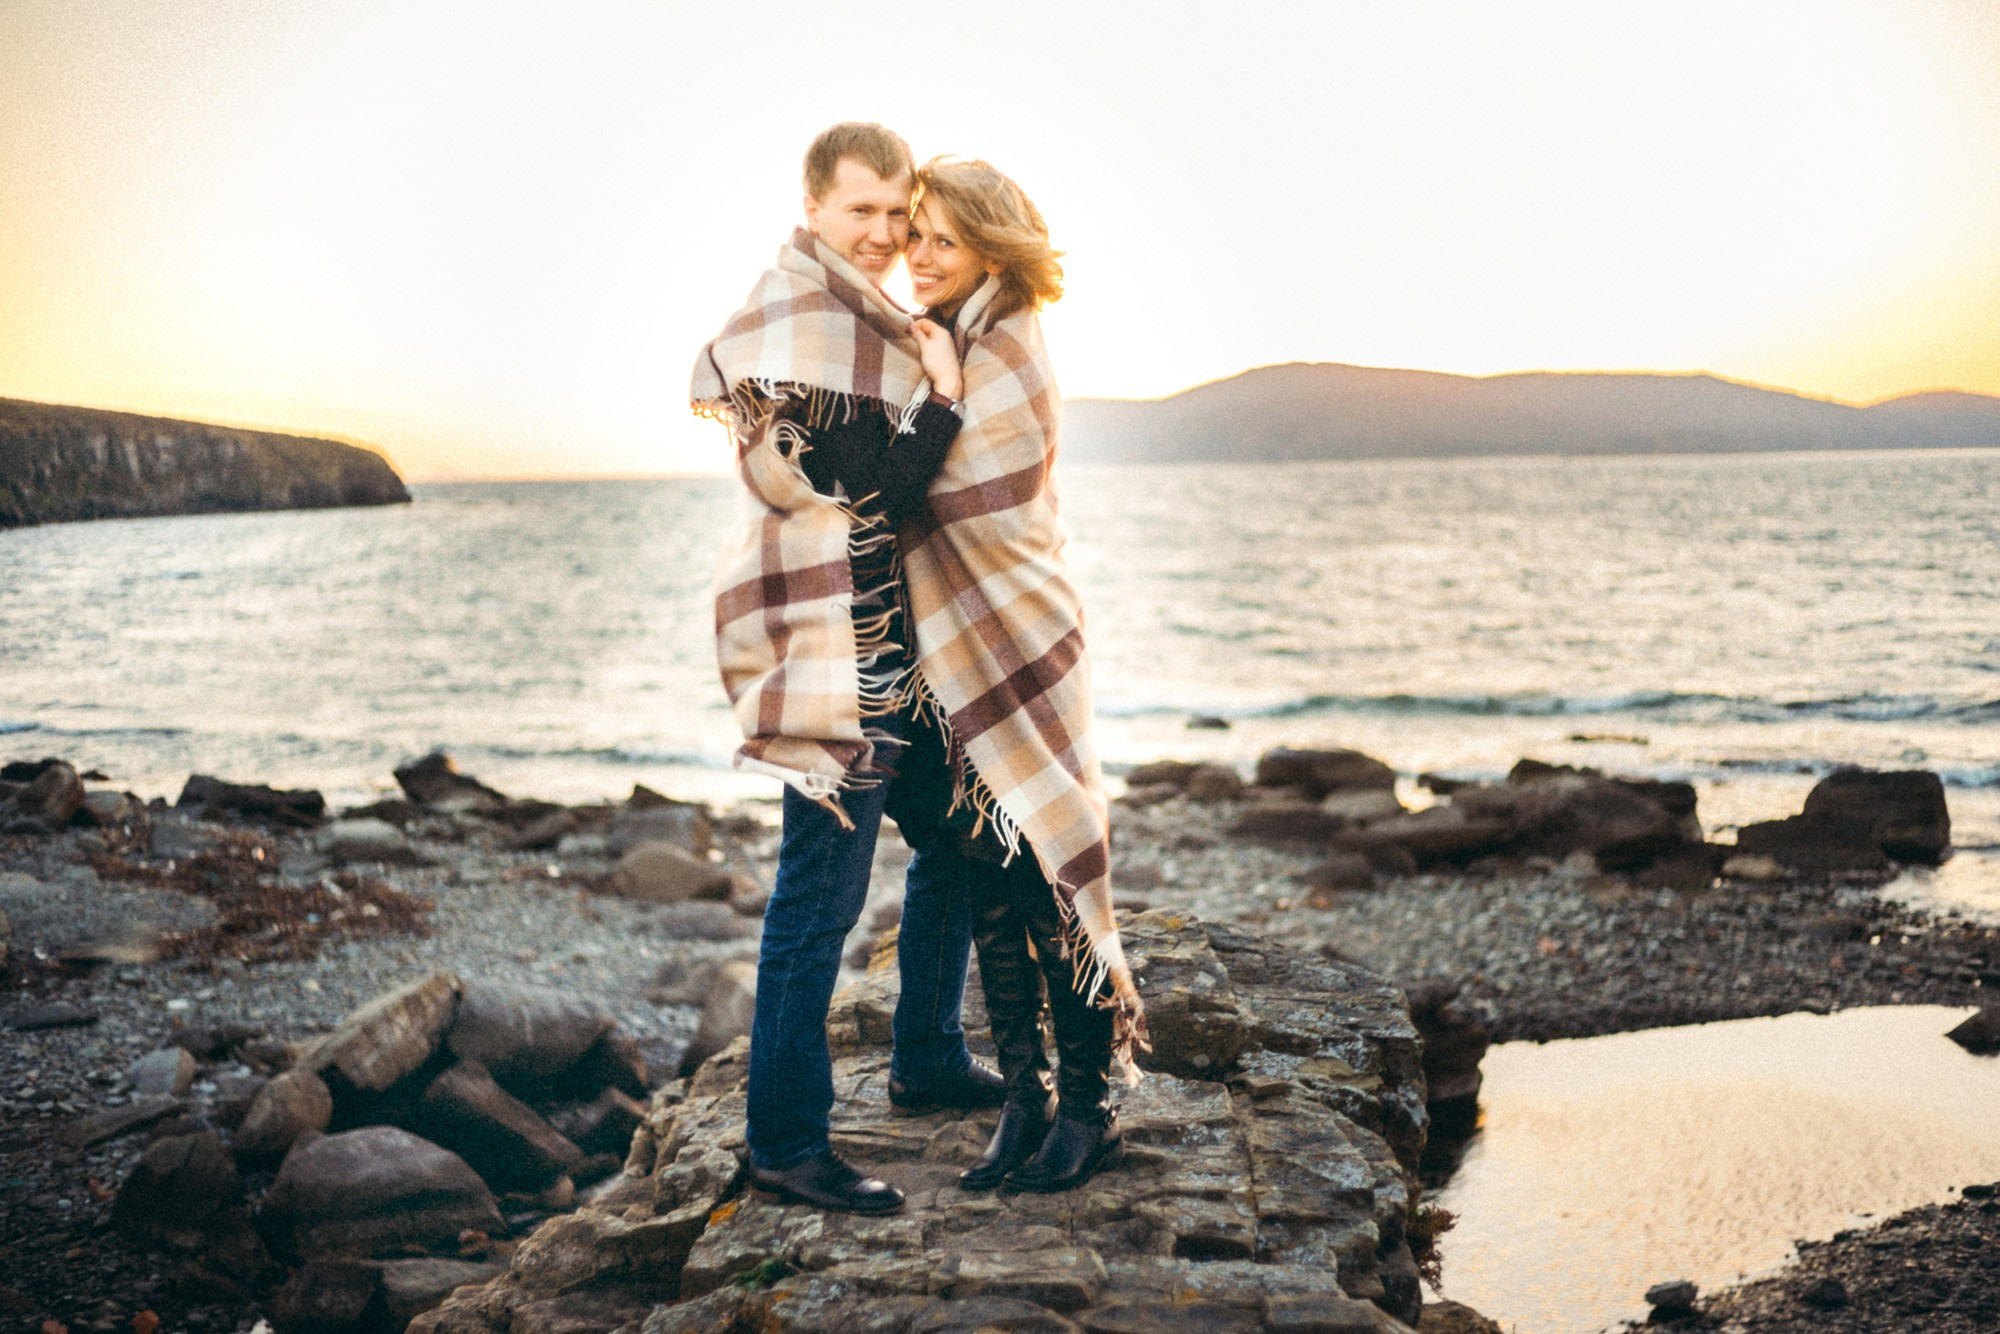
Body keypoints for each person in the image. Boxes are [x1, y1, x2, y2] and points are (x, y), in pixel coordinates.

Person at [691, 123, 1006, 1216]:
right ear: (814, 207)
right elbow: (874, 493)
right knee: (814, 908)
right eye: (860, 211)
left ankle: (924, 1055)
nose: (880, 233)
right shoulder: (791, 324)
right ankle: (783, 1145)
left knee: (964, 836)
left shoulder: (867, 322)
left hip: (897, 651)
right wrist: (946, 395)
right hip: (835, 660)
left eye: (895, 215)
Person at [897, 156, 1149, 1192]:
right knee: (986, 875)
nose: (917, 254)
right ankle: (1023, 1099)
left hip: (1021, 636)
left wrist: (938, 406)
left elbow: (967, 502)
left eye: (940, 239)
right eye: (912, 232)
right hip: (959, 647)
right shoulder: (951, 341)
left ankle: (1089, 1107)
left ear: (991, 249)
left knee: (1045, 866)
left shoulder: (1001, 347)